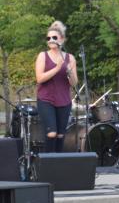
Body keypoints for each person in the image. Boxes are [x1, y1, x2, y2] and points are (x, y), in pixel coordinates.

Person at [35, 21, 78, 152]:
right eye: (48, 38)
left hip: (64, 101)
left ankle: (57, 165)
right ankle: (46, 164)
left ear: (62, 40)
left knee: (60, 136)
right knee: (51, 133)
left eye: (54, 37)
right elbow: (40, 78)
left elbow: (74, 83)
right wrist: (57, 68)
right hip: (46, 100)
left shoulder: (70, 58)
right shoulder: (43, 56)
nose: (51, 40)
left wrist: (69, 71)